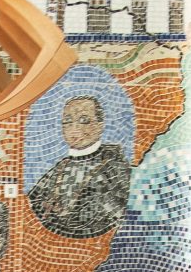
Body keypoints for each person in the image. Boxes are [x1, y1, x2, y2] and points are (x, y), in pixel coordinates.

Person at [29, 93, 134, 239]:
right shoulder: (60, 168)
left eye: (84, 120)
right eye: (67, 121)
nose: (74, 128)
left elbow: (113, 215)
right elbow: (32, 204)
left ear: (99, 126)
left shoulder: (114, 166)